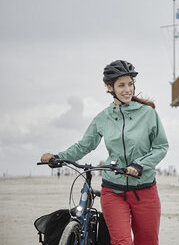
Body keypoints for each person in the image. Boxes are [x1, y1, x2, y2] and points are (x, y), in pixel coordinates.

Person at [41, 60, 169, 245]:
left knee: (147, 242)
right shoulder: (103, 118)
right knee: (121, 242)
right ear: (110, 87)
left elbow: (161, 146)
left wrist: (139, 164)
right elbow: (85, 145)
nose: (128, 90)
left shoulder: (148, 114)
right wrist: (59, 157)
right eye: (121, 85)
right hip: (113, 191)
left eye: (130, 84)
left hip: (145, 191)